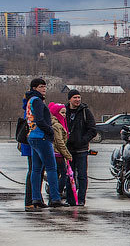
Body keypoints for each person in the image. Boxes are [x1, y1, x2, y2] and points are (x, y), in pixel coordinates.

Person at [24, 78, 64, 208]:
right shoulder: (38, 101)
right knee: (51, 168)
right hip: (41, 136)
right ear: (35, 88)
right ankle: (55, 198)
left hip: (32, 136)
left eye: (45, 87)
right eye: (41, 87)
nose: (44, 89)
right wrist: (50, 131)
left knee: (36, 169)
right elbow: (41, 120)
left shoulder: (30, 100)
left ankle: (36, 198)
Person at [63, 90, 97, 204]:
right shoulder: (64, 111)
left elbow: (92, 130)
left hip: (81, 149)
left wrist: (83, 140)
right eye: (75, 98)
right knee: (69, 175)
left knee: (82, 175)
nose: (77, 100)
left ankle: (81, 199)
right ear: (69, 99)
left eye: (79, 97)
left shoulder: (85, 112)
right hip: (68, 149)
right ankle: (70, 199)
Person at [47, 102, 76, 204]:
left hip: (57, 153)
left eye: (65, 113)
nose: (64, 115)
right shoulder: (57, 125)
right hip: (58, 154)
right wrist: (67, 155)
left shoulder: (58, 124)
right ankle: (55, 195)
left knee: (57, 175)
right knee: (63, 175)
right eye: (62, 113)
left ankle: (53, 197)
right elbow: (59, 142)